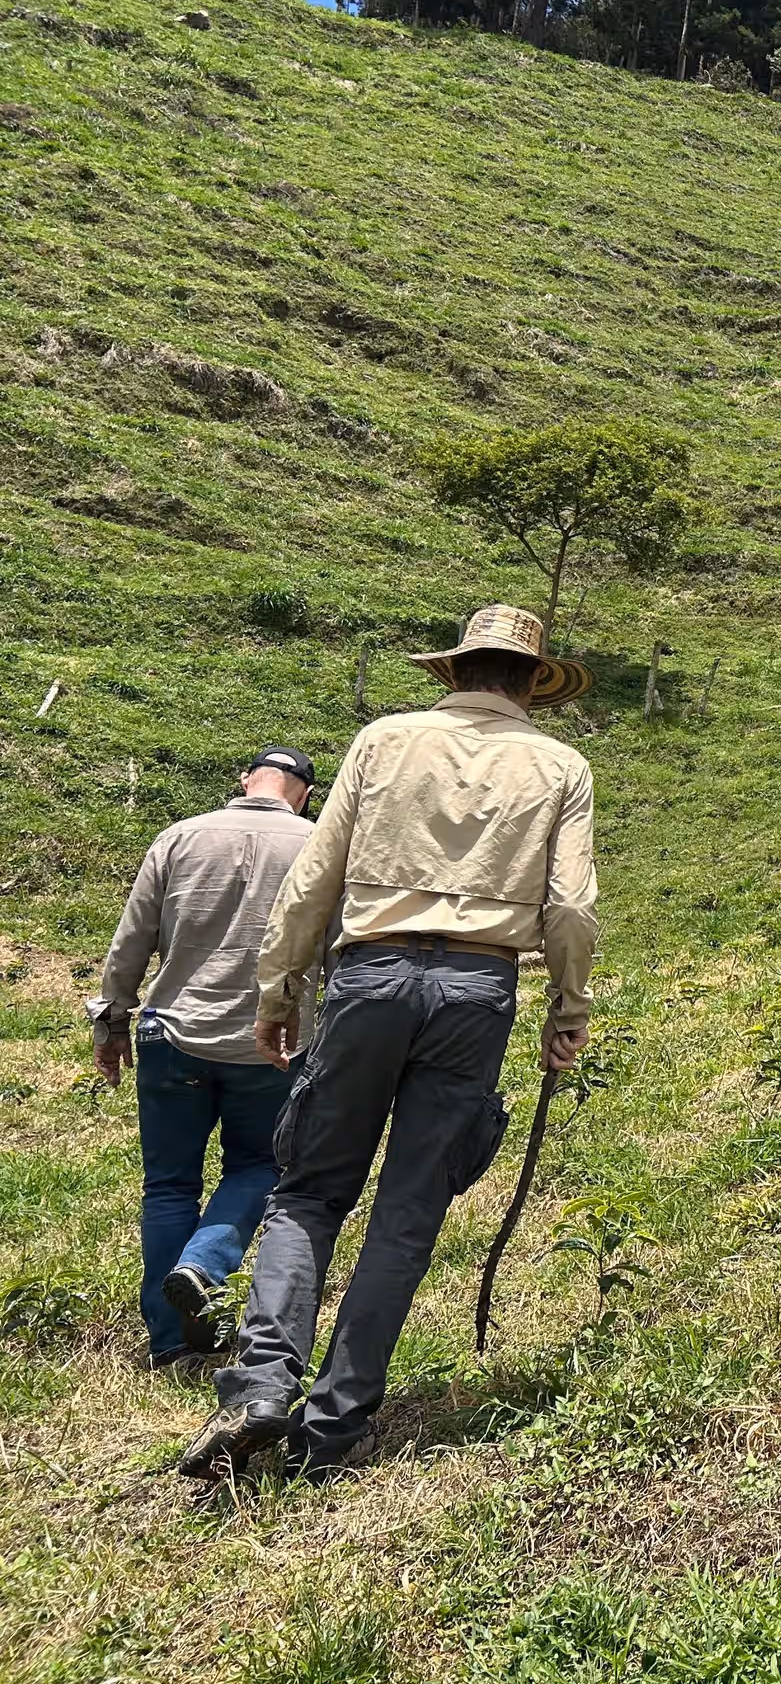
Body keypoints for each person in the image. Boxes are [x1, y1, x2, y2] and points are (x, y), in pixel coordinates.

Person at [178, 605, 598, 1481]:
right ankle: (334, 1425)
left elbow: (313, 877)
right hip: (479, 990)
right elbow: (569, 905)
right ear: (533, 684)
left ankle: (260, 1387)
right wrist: (568, 1007)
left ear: (453, 674)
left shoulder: (382, 740)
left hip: (369, 973)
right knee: (407, 1212)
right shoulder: (561, 765)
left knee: (310, 1191)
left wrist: (278, 988)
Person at [86, 747, 321, 1371]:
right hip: (269, 1044)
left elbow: (132, 939)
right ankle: (204, 1265)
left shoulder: (178, 838)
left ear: (245, 780)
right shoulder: (319, 843)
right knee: (257, 1167)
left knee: (168, 1186)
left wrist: (111, 1022)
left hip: (172, 1035)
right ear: (303, 793)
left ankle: (168, 1344)